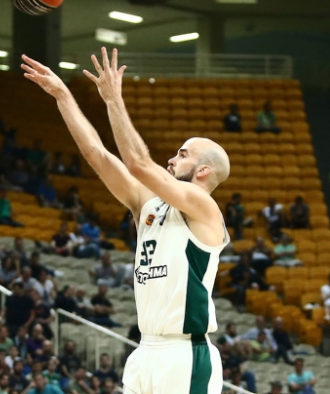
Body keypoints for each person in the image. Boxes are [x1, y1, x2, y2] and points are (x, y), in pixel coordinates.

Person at [22, 48, 231, 393]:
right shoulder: (148, 204)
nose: (171, 159)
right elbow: (97, 155)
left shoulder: (203, 206)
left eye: (182, 154)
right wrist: (63, 96)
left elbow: (138, 163)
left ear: (203, 170)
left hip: (185, 355)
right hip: (146, 350)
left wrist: (113, 100)